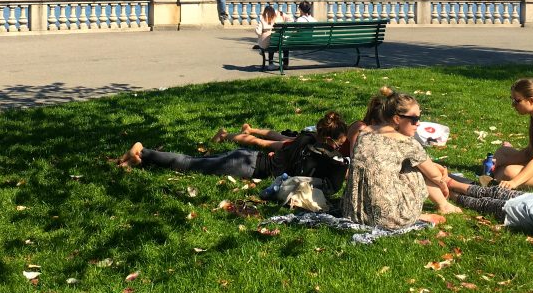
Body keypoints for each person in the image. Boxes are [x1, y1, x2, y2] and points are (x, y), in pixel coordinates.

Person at [120, 112, 351, 192]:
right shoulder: (316, 152)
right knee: (190, 164)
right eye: (338, 143)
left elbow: (275, 141)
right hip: (247, 165)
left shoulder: (305, 138)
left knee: (197, 160)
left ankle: (135, 159)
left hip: (246, 158)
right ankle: (144, 152)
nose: (339, 148)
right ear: (329, 140)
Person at [342, 89, 457, 229]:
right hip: (390, 220)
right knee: (414, 167)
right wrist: (442, 182)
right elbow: (433, 174)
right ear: (397, 119)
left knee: (410, 163)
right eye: (414, 119)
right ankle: (443, 205)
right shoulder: (406, 143)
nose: (418, 123)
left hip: (354, 213)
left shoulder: (365, 132)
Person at [254, 5, 288, 70]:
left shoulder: (262, 19)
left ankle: (270, 63)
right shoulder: (278, 19)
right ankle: (285, 64)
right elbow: (290, 19)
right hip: (278, 43)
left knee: (266, 39)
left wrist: (260, 32)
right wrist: (282, 14)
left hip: (265, 44)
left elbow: (258, 32)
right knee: (272, 40)